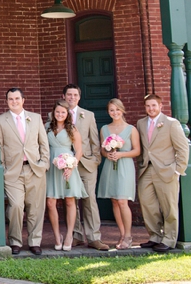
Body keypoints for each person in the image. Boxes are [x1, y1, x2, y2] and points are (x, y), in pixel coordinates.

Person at [0, 88, 49, 255]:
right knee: (16, 206)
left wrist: (44, 163)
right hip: (13, 172)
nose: (14, 101)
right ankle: (15, 241)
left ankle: (34, 241)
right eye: (10, 99)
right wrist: (3, 168)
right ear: (7, 101)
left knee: (36, 207)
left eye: (17, 98)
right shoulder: (0, 120)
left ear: (23, 100)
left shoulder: (35, 118)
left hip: (35, 169)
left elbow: (43, 143)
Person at [136, 93, 189, 253]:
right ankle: (155, 236)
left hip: (167, 170)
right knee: (147, 203)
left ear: (160, 106)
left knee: (169, 206)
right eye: (148, 106)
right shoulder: (140, 123)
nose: (151, 109)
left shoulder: (172, 123)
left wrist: (178, 169)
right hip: (147, 169)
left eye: (154, 105)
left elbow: (182, 148)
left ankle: (169, 239)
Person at [62, 85, 107, 251]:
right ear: (64, 96)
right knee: (71, 199)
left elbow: (94, 139)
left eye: (75, 95)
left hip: (87, 163)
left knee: (89, 200)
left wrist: (95, 159)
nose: (72, 97)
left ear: (79, 97)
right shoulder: (57, 114)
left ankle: (94, 237)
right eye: (69, 95)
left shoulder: (88, 115)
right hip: (67, 164)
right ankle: (76, 235)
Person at [45, 99, 87, 251]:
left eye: (63, 112)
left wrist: (71, 165)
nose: (60, 114)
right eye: (57, 112)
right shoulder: (47, 127)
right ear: (53, 113)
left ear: (67, 114)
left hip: (68, 166)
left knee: (70, 201)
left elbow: (79, 151)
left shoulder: (72, 129)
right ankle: (57, 236)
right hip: (52, 166)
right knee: (50, 202)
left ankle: (69, 234)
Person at [97, 98, 140, 250]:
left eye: (117, 109)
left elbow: (137, 150)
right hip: (110, 165)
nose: (115, 113)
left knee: (123, 201)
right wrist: (106, 154)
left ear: (122, 110)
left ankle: (128, 235)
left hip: (125, 166)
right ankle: (122, 234)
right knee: (114, 201)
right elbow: (102, 150)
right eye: (111, 110)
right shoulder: (104, 129)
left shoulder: (131, 129)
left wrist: (121, 155)